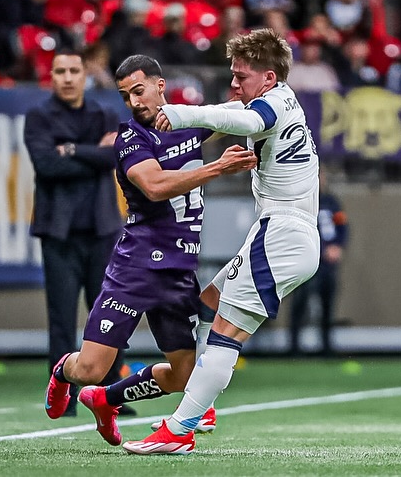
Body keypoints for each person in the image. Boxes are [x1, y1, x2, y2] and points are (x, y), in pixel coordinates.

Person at [123, 28, 320, 455]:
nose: (233, 84)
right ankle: (201, 406)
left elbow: (246, 121)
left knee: (226, 336)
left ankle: (180, 428)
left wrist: (181, 113)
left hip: (283, 234)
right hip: (281, 233)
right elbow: (241, 111)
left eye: (241, 76)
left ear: (268, 78)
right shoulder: (280, 97)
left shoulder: (270, 105)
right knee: (208, 303)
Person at [44, 54, 257, 446]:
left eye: (139, 91)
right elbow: (156, 186)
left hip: (178, 272)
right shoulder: (130, 138)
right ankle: (63, 371)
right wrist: (216, 169)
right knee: (90, 368)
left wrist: (260, 88)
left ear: (161, 86)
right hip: (136, 268)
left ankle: (106, 400)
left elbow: (237, 112)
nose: (135, 102)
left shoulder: (188, 122)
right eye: (127, 96)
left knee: (186, 377)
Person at [24, 48, 130, 417]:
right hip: (60, 232)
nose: (67, 78)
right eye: (60, 71)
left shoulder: (104, 112)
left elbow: (114, 157)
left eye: (73, 70)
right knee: (61, 317)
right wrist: (91, 155)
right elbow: (46, 165)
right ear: (50, 77)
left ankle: (111, 395)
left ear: (85, 74)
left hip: (102, 229)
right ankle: (63, 398)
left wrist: (70, 150)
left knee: (110, 315)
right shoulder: (39, 117)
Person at [289, 172, 348, 357]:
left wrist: (338, 246)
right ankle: (294, 347)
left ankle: (327, 346)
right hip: (307, 261)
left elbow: (342, 226)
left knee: (328, 304)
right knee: (300, 303)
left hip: (327, 265)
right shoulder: (301, 201)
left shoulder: (332, 202)